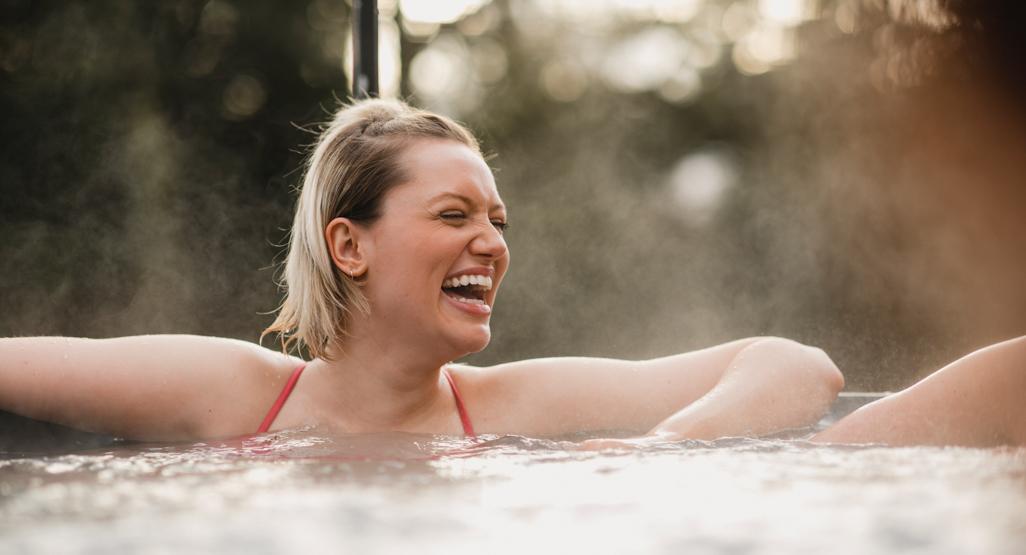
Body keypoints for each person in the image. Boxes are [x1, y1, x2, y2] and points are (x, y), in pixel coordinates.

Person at [0, 99, 1019, 448]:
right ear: (348, 246)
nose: (493, 240)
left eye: (497, 217)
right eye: (455, 215)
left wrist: (660, 454)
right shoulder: (239, 395)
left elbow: (795, 366)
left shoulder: (510, 405)